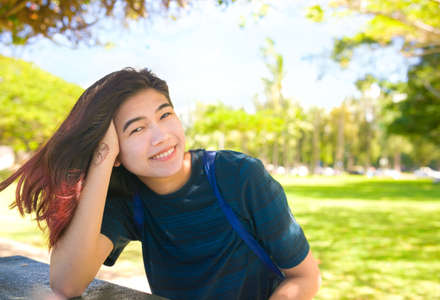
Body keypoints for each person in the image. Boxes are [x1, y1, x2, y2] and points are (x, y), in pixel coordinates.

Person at [0, 68, 320, 300]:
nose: (161, 136)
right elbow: (66, 284)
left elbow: (305, 277)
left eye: (165, 115)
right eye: (136, 130)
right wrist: (102, 160)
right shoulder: (128, 200)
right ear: (113, 149)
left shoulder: (238, 175)